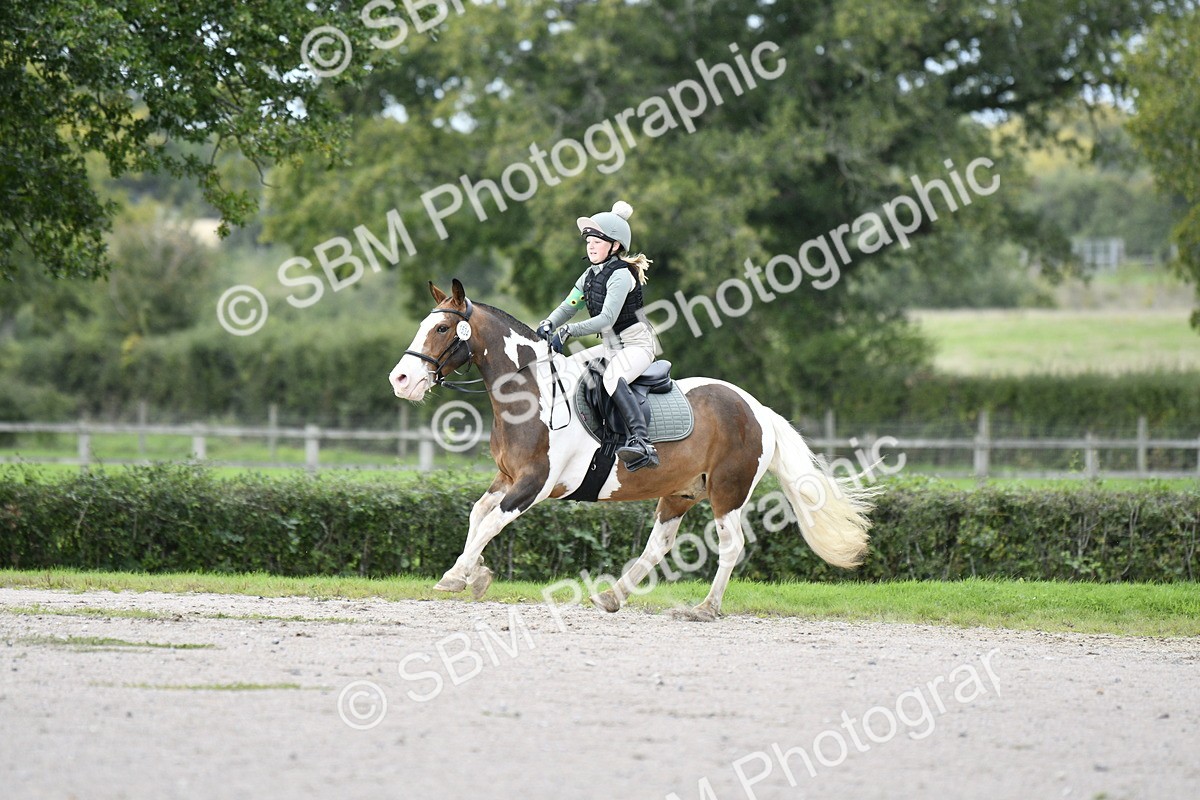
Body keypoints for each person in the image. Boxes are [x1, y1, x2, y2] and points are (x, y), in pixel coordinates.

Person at [535, 200, 660, 470]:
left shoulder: (621, 275)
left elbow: (606, 320)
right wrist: (549, 323)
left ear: (615, 246)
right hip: (611, 347)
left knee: (613, 378)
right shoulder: (590, 275)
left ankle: (642, 442)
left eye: (598, 241)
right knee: (566, 368)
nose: (591, 246)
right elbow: (569, 306)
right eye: (589, 241)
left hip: (637, 345)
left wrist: (568, 331)